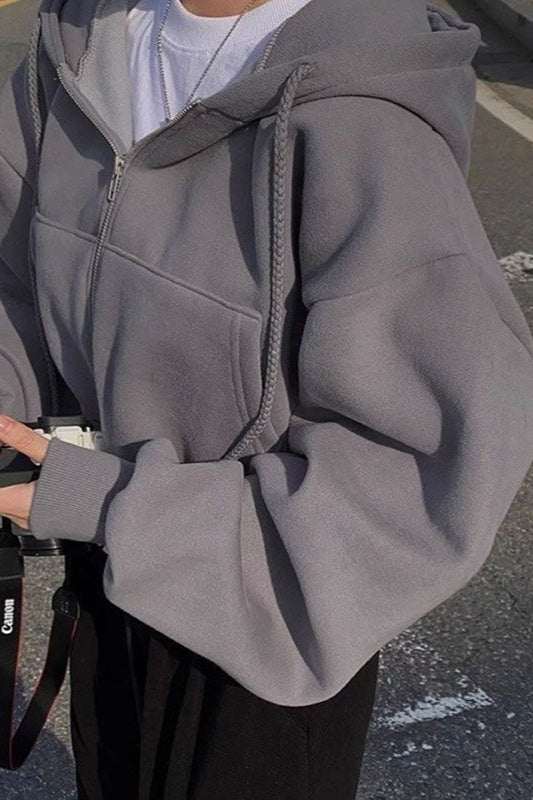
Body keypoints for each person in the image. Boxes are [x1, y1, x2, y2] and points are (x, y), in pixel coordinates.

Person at [0, 0, 532, 797]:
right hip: (107, 574)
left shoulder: (364, 112)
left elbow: (431, 466)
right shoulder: (79, 40)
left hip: (264, 625)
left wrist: (112, 504)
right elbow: (15, 267)